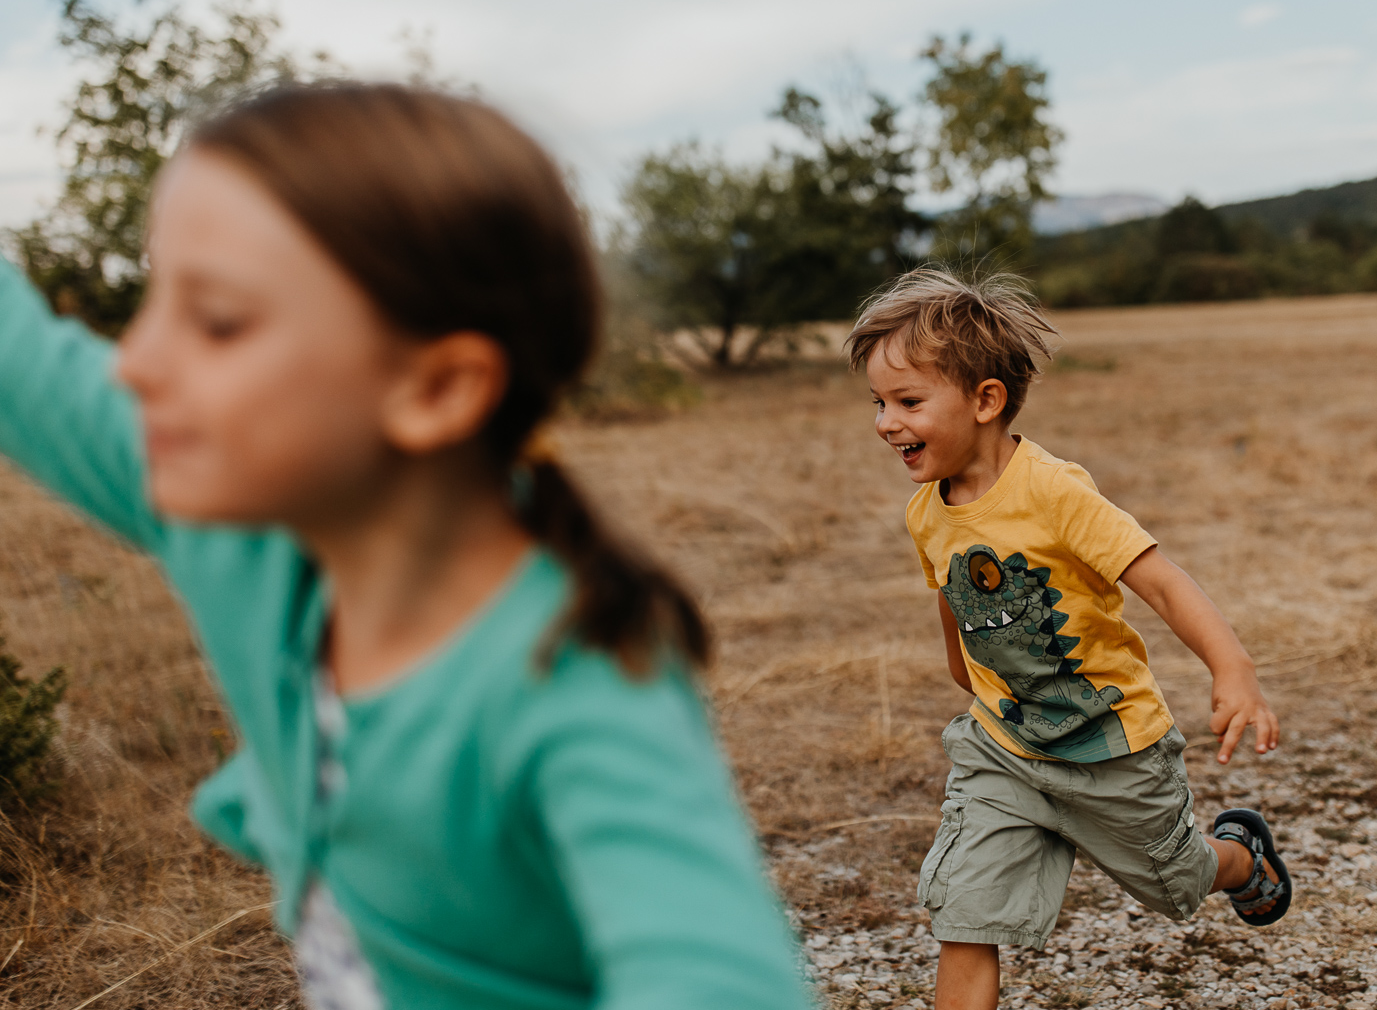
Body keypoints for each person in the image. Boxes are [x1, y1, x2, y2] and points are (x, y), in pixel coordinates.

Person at [0, 83, 809, 1010]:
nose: (137, 360)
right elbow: (23, 363)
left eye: (216, 321)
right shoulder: (248, 542)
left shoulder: (576, 680)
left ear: (437, 389)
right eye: (152, 299)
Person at [847, 268, 1293, 1010]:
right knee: (965, 913)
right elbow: (951, 595)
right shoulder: (927, 510)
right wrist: (964, 670)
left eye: (908, 401)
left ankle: (1240, 857)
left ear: (986, 401)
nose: (885, 422)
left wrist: (1232, 667)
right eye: (878, 403)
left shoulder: (1055, 493)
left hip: (1110, 748)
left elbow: (1162, 580)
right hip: (1003, 749)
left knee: (1176, 883)